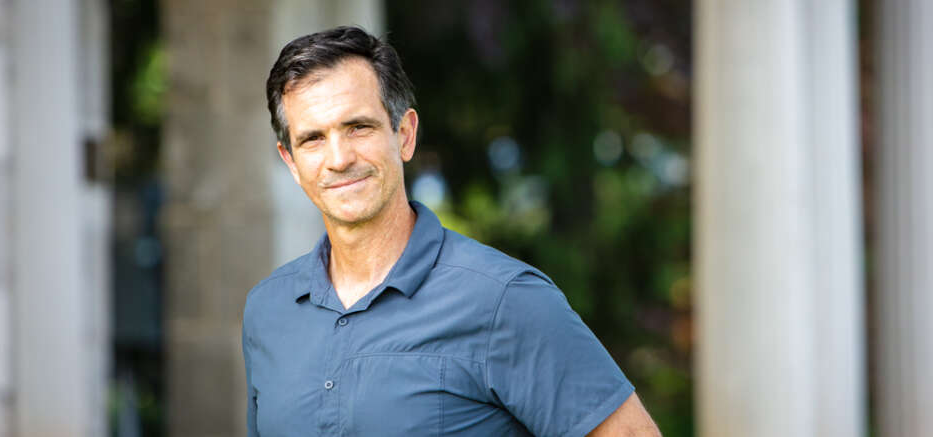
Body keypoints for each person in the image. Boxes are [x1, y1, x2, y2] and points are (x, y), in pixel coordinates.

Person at [243, 26, 661, 437]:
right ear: (291, 161)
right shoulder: (268, 310)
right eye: (313, 139)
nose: (339, 158)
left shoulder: (506, 301)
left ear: (405, 135)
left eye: (359, 127)